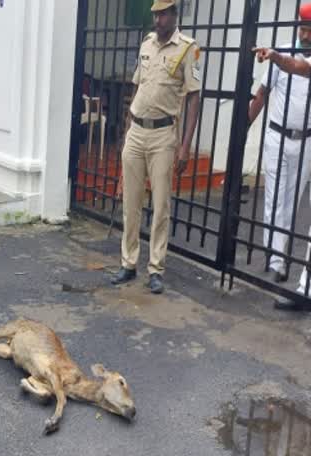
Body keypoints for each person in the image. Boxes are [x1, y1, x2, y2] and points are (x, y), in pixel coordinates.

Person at [111, 0, 201, 294]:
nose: (158, 19)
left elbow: (193, 98)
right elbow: (137, 87)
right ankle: (128, 263)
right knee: (131, 204)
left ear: (175, 15)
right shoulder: (146, 44)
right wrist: (126, 132)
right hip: (137, 131)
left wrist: (185, 146)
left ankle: (156, 268)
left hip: (163, 135)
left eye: (163, 14)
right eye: (155, 14)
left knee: (160, 205)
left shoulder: (188, 49)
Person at [249, 4, 311, 290]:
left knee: (291, 200)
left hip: (305, 140)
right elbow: (262, 94)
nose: (305, 34)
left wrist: (274, 56)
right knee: (274, 198)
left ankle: (279, 256)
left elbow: (298, 67)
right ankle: (276, 262)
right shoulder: (285, 49)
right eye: (302, 27)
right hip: (276, 136)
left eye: (309, 29)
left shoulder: (289, 57)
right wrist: (244, 128)